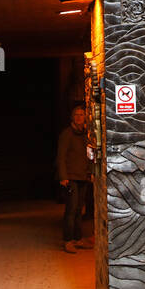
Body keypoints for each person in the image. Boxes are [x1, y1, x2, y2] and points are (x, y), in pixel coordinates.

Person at [56, 104, 94, 253]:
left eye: (82, 115)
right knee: (71, 210)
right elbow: (61, 157)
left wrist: (90, 172)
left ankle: (78, 239)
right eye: (77, 115)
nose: (79, 117)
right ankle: (68, 240)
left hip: (82, 176)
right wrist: (63, 176)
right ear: (72, 117)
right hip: (71, 177)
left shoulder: (86, 134)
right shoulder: (67, 134)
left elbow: (89, 154)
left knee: (79, 209)